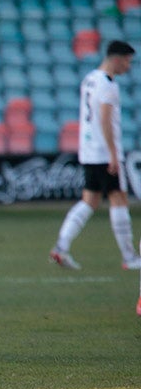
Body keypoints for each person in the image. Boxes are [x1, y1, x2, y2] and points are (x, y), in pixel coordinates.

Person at [51, 40, 140, 271]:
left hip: (89, 151)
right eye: (128, 61)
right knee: (118, 198)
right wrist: (113, 153)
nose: (129, 67)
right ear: (118, 58)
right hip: (104, 152)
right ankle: (130, 257)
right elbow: (105, 119)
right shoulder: (108, 85)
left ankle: (61, 246)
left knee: (89, 200)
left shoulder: (90, 79)